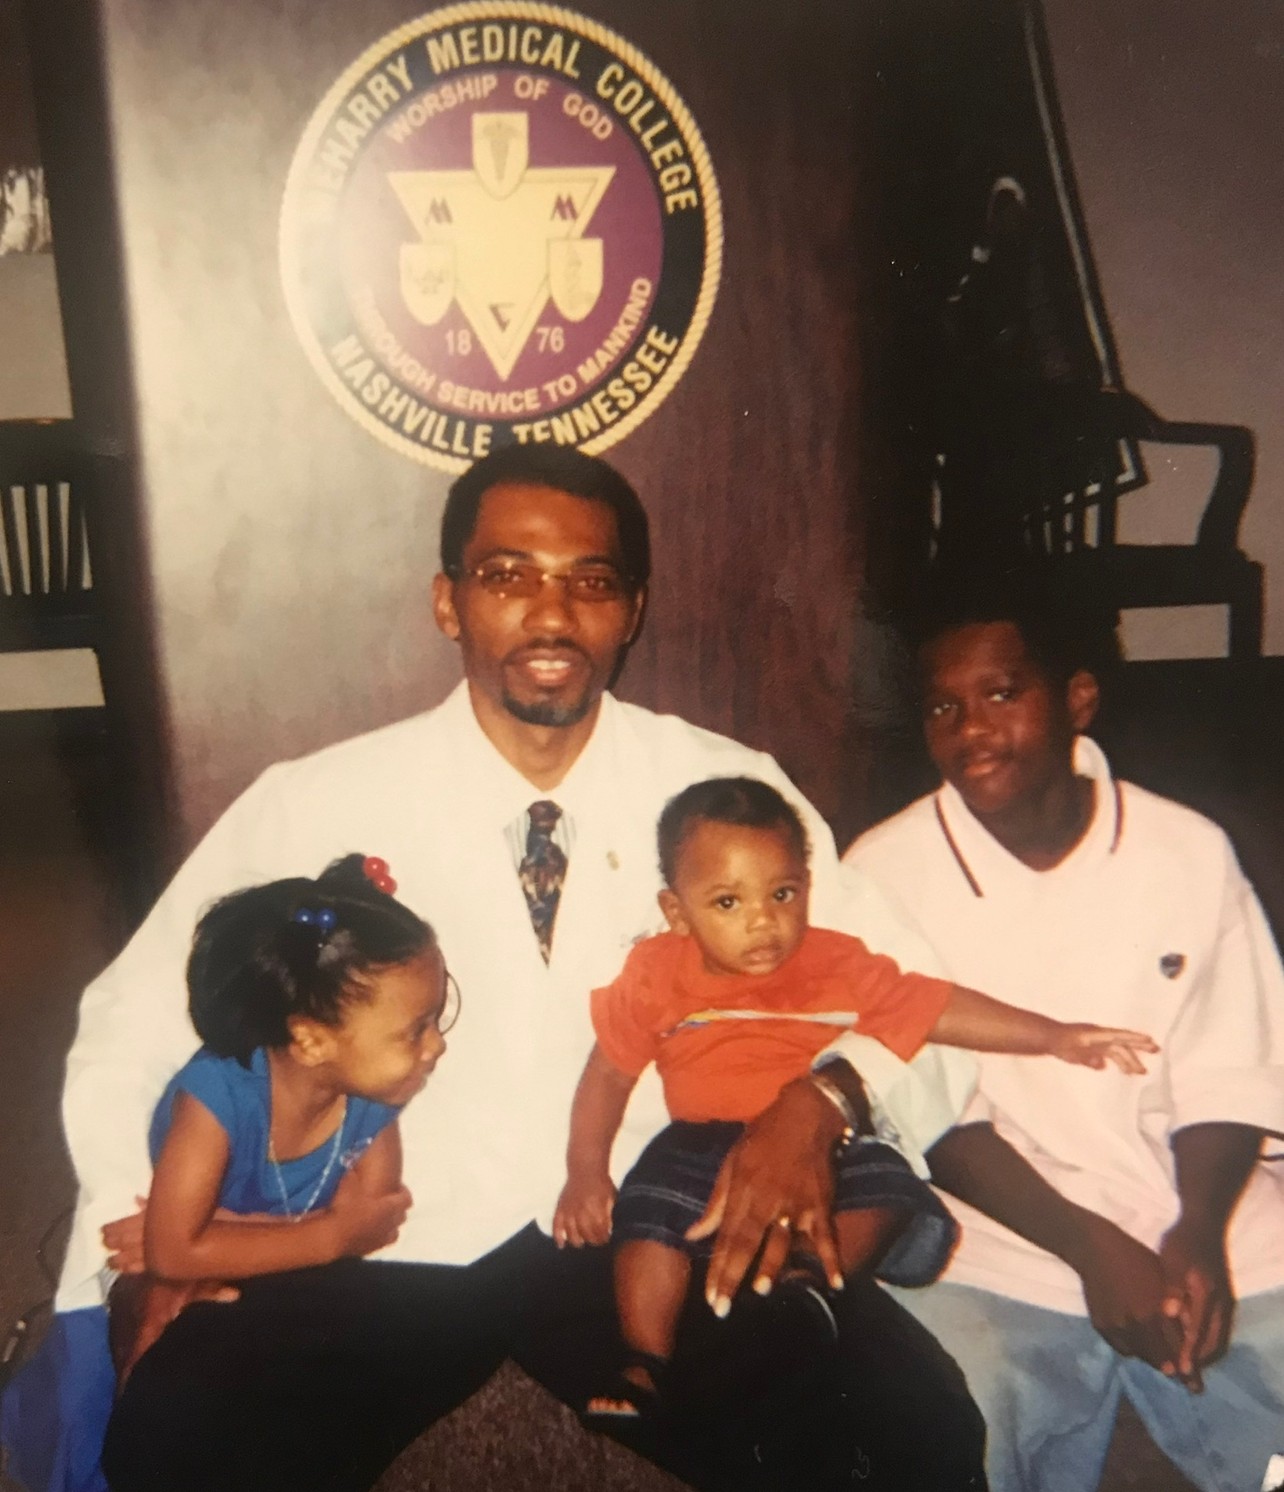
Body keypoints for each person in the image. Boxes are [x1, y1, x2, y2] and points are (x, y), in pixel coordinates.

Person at [19, 445, 986, 1492]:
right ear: (448, 601)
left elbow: (910, 990)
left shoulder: (726, 790)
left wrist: (822, 1100)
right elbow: (141, 1011)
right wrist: (153, 1235)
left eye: (591, 580)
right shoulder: (318, 797)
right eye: (508, 575)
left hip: (650, 1220)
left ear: (633, 609)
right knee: (184, 1433)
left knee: (906, 1432)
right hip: (382, 1230)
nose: (552, 611)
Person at [842, 575, 1284, 1492]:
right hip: (996, 1239)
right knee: (936, 1430)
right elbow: (923, 1108)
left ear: (1077, 698)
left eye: (1004, 693)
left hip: (1205, 1218)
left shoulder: (1186, 848)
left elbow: (1229, 1065)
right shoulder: (883, 872)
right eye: (943, 707)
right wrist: (1088, 1246)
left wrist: (1197, 1232)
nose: (971, 730)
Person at [555, 775, 1157, 1417]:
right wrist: (584, 1171)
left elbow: (935, 1008)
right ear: (677, 913)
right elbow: (608, 1074)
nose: (763, 921)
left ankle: (806, 1287)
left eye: (781, 894)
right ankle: (643, 1361)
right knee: (648, 1205)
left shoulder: (834, 961)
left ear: (807, 889)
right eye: (727, 903)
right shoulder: (655, 972)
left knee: (891, 1181)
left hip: (825, 1147)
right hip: (700, 1141)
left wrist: (1055, 1037)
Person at [1, 855, 450, 1489]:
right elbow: (173, 1248)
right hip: (190, 1244)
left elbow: (372, 1225)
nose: (436, 1046)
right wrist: (320, 1236)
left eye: (436, 1017)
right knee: (156, 1321)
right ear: (313, 1040)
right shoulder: (215, 1099)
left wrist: (229, 1232)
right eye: (415, 1029)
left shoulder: (379, 1094)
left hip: (241, 1241)